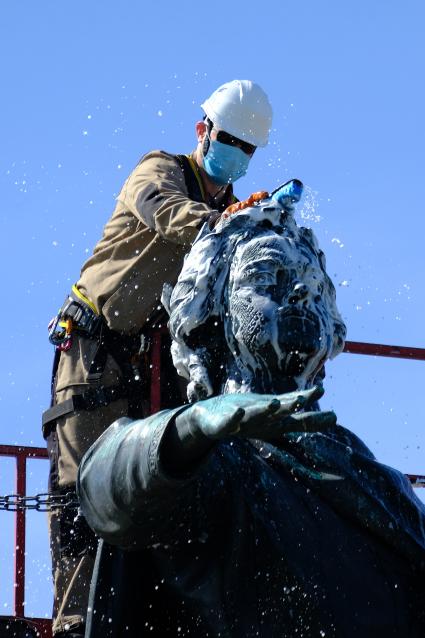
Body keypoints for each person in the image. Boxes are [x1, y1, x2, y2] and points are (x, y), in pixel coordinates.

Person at [77, 194, 425, 637]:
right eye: (266, 277)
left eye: (313, 285)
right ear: (212, 317)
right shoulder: (209, 471)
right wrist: (190, 429)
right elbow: (105, 491)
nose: (300, 291)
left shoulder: (382, 488)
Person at [42, 80, 273, 637]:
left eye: (247, 148)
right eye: (228, 141)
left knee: (162, 498)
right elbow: (164, 211)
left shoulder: (231, 211)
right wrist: (225, 224)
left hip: (160, 373)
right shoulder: (160, 171)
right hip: (94, 359)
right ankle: (76, 626)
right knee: (84, 499)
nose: (235, 155)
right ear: (203, 131)